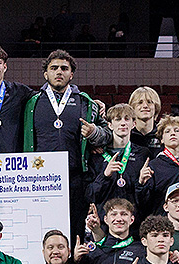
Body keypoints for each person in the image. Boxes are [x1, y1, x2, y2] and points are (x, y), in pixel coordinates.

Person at [23, 49, 110, 236]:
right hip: (40, 178)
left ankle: (75, 263)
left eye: (64, 68)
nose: (59, 72)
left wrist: (95, 133)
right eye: (54, 68)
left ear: (72, 74)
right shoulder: (31, 102)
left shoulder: (85, 103)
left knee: (75, 226)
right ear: (46, 73)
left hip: (76, 177)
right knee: (41, 225)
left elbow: (107, 133)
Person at [85, 104, 148, 227]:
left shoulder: (142, 154)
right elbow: (90, 195)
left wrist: (141, 183)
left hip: (134, 224)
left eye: (127, 119)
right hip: (104, 224)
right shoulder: (96, 156)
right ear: (110, 125)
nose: (123, 123)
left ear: (133, 124)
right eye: (118, 119)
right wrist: (104, 176)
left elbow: (146, 199)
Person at [136, 116, 179, 224]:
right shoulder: (154, 166)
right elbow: (144, 204)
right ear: (162, 139)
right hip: (163, 226)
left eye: (177, 130)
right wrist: (141, 184)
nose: (172, 133)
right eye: (167, 131)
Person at [78, 197, 145, 264]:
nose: (119, 219)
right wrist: (76, 260)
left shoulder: (141, 250)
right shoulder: (94, 249)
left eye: (124, 214)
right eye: (114, 214)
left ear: (131, 220)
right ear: (106, 219)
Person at [127, 86, 163, 159]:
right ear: (132, 108)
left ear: (156, 107)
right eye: (140, 103)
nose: (145, 106)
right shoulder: (125, 134)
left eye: (149, 102)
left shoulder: (163, 133)